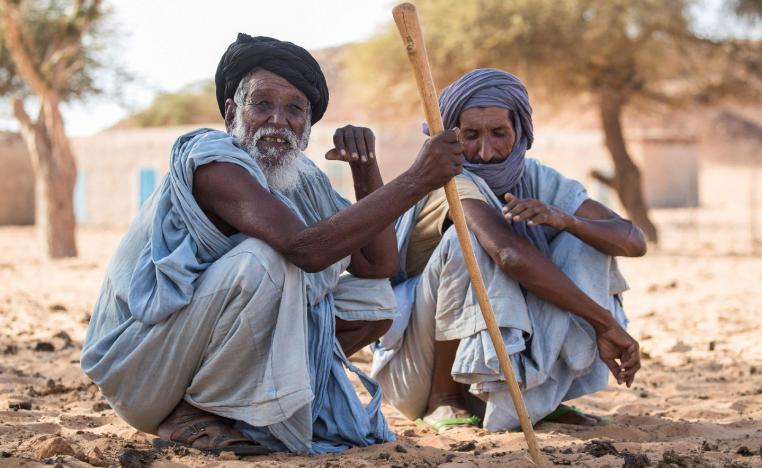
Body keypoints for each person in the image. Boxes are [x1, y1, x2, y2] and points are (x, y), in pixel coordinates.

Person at [80, 34, 465, 455]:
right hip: (142, 374)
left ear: (308, 125)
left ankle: (250, 400)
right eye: (262, 104)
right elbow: (305, 249)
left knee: (375, 301)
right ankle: (193, 412)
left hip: (185, 358)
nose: (279, 120)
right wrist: (415, 181)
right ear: (231, 113)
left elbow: (378, 266)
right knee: (265, 259)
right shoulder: (212, 161)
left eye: (294, 109)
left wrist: (365, 168)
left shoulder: (302, 178)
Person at [372, 68, 645, 432]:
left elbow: (633, 240)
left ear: (520, 133)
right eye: (470, 135)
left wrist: (569, 221)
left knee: (586, 242)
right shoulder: (451, 181)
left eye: (499, 133)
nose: (485, 151)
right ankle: (445, 398)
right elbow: (508, 254)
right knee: (465, 243)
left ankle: (543, 398)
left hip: (500, 371)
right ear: (451, 137)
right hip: (417, 371)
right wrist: (605, 323)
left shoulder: (536, 179)